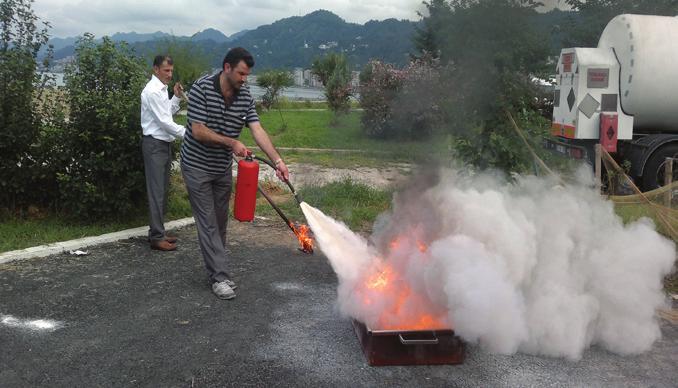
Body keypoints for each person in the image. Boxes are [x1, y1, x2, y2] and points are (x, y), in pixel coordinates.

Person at [181, 47, 289, 300]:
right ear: (227, 67)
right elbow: (198, 131)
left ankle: (216, 269)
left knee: (219, 223)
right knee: (207, 222)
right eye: (241, 73)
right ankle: (219, 277)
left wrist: (278, 161)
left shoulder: (244, 94)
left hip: (220, 167)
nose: (244, 79)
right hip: (196, 165)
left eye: (247, 74)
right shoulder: (202, 88)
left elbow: (257, 129)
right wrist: (232, 143)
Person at [141, 55, 187, 251]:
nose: (170, 74)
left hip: (162, 144)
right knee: (157, 192)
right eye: (166, 70)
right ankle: (157, 238)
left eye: (171, 70)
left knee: (162, 190)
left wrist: (176, 96)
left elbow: (166, 112)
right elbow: (164, 122)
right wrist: (190, 133)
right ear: (156, 70)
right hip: (154, 145)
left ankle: (156, 232)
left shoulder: (161, 89)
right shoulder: (152, 91)